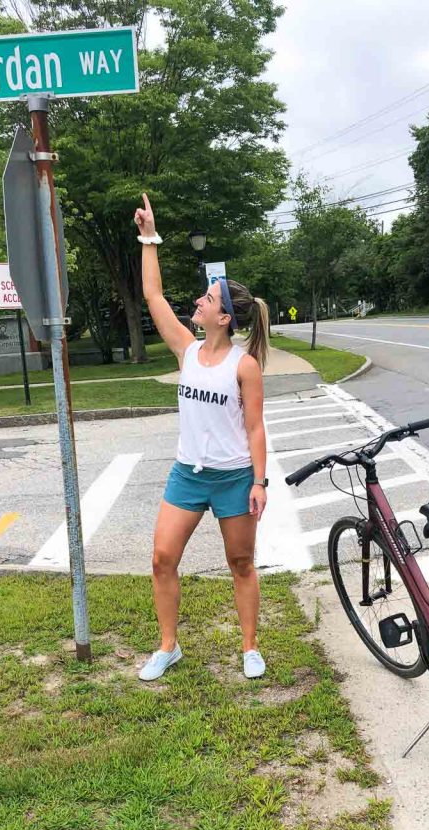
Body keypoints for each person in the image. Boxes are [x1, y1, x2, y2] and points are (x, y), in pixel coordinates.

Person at [133, 193, 270, 682]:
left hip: (234, 478)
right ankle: (169, 647)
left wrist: (260, 482)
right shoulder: (186, 350)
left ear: (224, 318)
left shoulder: (245, 365)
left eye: (207, 300)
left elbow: (255, 428)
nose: (197, 302)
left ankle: (250, 646)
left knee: (240, 562)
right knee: (161, 558)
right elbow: (153, 297)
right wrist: (150, 237)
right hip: (186, 475)